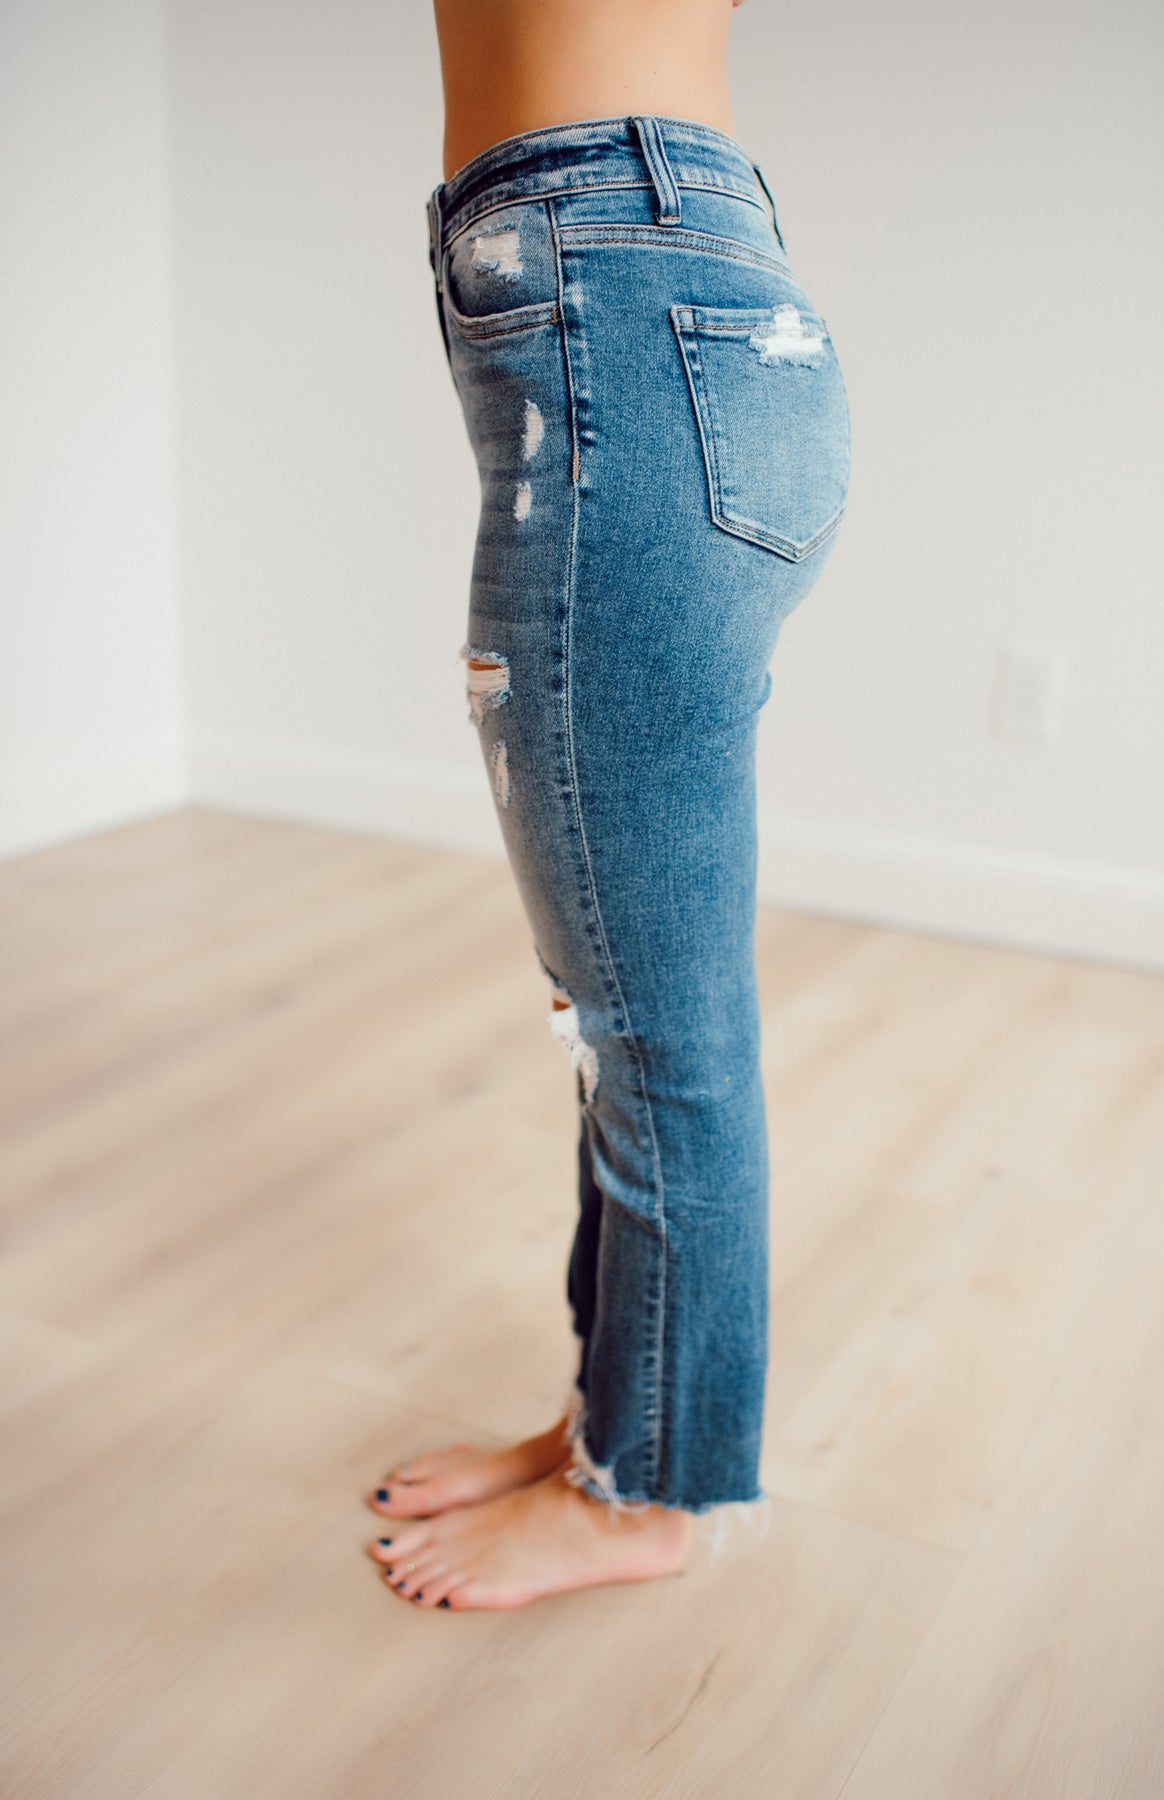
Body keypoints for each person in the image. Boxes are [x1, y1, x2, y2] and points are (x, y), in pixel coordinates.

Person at [367, 0, 851, 1612]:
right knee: (619, 1002)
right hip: (652, 283)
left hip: (615, 292)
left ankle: (642, 1494)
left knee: (649, 1020)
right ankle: (611, 1421)